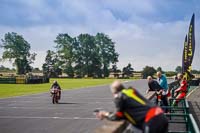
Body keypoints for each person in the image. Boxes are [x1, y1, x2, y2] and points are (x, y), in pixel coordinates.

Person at [96, 80, 168, 133]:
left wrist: (105, 114)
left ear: (115, 92)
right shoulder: (131, 91)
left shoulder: (119, 96)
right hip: (160, 115)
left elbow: (118, 116)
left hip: (151, 121)